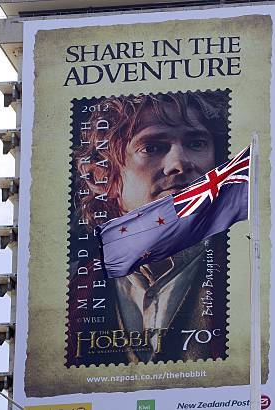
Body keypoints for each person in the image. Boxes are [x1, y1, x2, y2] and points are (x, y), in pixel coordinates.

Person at [69, 91, 231, 364]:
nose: (179, 163)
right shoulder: (71, 290)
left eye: (197, 143)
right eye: (152, 148)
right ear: (99, 174)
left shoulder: (248, 275)